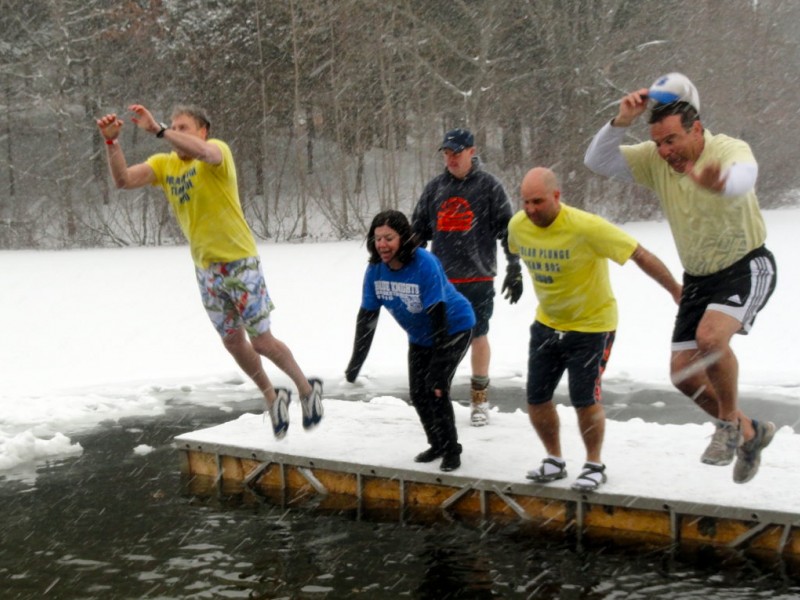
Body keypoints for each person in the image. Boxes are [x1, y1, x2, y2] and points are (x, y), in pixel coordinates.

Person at [584, 72, 778, 484]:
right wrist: (620, 121)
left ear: (697, 128)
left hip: (746, 265)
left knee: (711, 339)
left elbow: (745, 176)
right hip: (699, 279)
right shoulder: (656, 162)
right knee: (683, 377)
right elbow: (596, 161)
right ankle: (750, 431)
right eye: (658, 143)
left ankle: (726, 425)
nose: (666, 151)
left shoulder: (727, 149)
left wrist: (717, 180)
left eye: (672, 140)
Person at [95, 104, 322, 439]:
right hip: (205, 269)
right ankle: (273, 397)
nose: (176, 132)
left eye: (183, 127)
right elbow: (123, 180)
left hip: (239, 262)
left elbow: (204, 152)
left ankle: (306, 389)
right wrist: (112, 143)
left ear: (203, 130)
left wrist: (159, 130)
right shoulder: (164, 165)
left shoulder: (218, 153)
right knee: (232, 341)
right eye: (173, 127)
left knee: (261, 342)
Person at [508, 167, 681, 491]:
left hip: (591, 326)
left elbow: (638, 253)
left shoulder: (586, 227)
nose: (531, 210)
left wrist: (674, 288)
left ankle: (593, 464)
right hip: (547, 324)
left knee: (584, 398)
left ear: (557, 196)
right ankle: (554, 459)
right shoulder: (518, 225)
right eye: (526, 202)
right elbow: (513, 249)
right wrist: (513, 272)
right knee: (536, 397)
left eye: (538, 202)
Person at [345, 210, 475, 472]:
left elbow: (438, 316)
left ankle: (452, 450)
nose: (382, 244)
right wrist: (356, 362)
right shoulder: (375, 271)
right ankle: (437, 444)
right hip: (419, 336)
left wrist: (438, 367)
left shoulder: (424, 264)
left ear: (403, 238)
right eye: (378, 238)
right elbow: (367, 319)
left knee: (436, 389)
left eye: (389, 238)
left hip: (454, 328)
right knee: (418, 393)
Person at [412, 128, 522, 427]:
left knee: (478, 335)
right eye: (446, 154)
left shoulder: (489, 187)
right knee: (439, 342)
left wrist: (515, 266)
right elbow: (418, 231)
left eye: (456, 153)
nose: (450, 159)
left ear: (471, 151)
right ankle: (438, 396)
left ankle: (479, 399)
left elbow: (507, 230)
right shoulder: (435, 188)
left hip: (478, 277)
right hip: (442, 280)